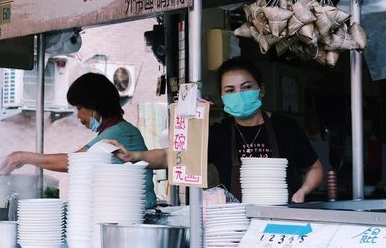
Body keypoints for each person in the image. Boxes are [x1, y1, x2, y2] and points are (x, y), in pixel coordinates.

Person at [114, 57, 323, 203]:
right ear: (222, 98)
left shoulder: (286, 128)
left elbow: (314, 169)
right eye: (230, 90)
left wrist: (302, 192)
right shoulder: (218, 134)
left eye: (247, 87)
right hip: (235, 225)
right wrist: (134, 155)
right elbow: (173, 156)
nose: (238, 94)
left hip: (283, 220)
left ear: (262, 90)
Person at [0, 72, 156, 208]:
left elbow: (73, 162)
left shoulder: (119, 133)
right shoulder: (114, 131)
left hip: (136, 213)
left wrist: (24, 157)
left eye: (80, 108)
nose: (78, 115)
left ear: (96, 105)